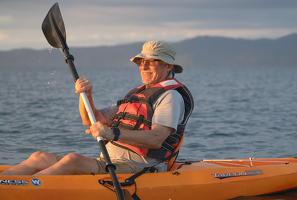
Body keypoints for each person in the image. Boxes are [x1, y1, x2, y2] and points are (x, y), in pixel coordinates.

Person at [0, 41, 193, 176]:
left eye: (152, 61)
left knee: (72, 160)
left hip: (139, 167)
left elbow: (156, 138)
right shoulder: (138, 93)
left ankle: (25, 188)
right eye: (142, 62)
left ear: (169, 66)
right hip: (110, 160)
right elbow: (92, 119)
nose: (144, 66)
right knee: (39, 157)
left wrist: (112, 134)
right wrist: (86, 95)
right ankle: (7, 184)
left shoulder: (170, 96)